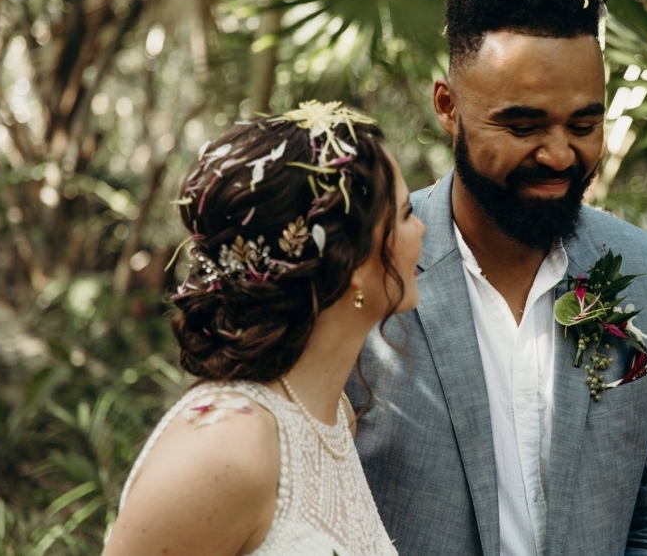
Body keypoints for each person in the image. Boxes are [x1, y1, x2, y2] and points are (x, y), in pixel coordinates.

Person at [347, 0, 647, 555]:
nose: (560, 155)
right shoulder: (361, 266)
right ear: (447, 106)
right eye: (524, 127)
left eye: (584, 125)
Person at [104, 101, 425, 556]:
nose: (422, 230)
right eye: (407, 214)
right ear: (351, 258)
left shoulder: (334, 419)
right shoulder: (225, 445)